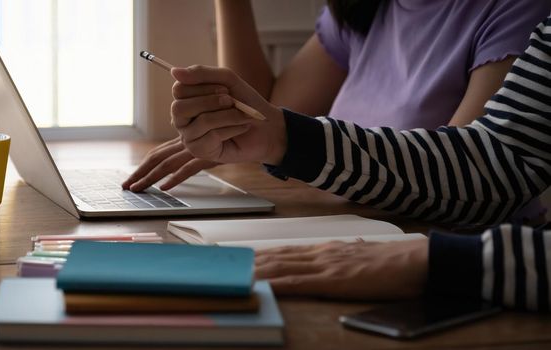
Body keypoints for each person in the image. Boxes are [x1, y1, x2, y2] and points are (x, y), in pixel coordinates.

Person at [161, 15, 551, 311]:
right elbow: (499, 162)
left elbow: (492, 178)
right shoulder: (359, 9)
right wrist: (282, 137)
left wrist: (450, 261)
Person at [123, 0, 550, 224]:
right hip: (341, 222)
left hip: (429, 242)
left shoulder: (519, 9)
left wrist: (281, 137)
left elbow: (474, 177)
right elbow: (271, 111)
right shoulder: (364, 6)